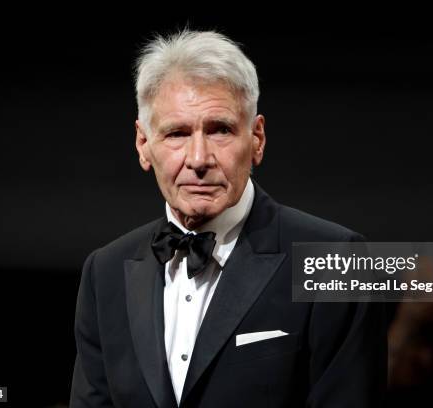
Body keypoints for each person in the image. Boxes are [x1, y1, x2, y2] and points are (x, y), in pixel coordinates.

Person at [70, 29, 386, 408]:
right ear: (143, 144)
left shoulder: (337, 259)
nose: (199, 158)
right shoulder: (104, 272)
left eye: (220, 130)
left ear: (257, 139)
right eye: (177, 133)